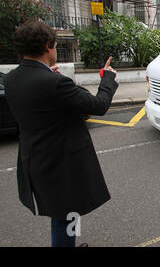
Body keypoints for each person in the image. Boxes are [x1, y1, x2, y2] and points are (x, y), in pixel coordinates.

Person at [4, 20, 119, 247]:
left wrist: (52, 77)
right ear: (48, 46)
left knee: (64, 214)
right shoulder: (54, 83)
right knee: (66, 217)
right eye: (56, 46)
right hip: (62, 165)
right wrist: (108, 78)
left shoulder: (11, 79)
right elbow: (98, 105)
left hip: (36, 161)